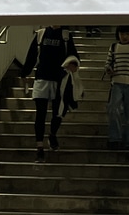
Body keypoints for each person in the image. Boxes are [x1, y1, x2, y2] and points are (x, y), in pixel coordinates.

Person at [22, 25, 79, 162]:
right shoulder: (41, 34)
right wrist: (24, 73)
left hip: (59, 81)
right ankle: (39, 147)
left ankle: (52, 134)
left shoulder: (66, 35)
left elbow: (75, 56)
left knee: (58, 113)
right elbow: (31, 55)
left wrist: (73, 64)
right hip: (41, 78)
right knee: (40, 114)